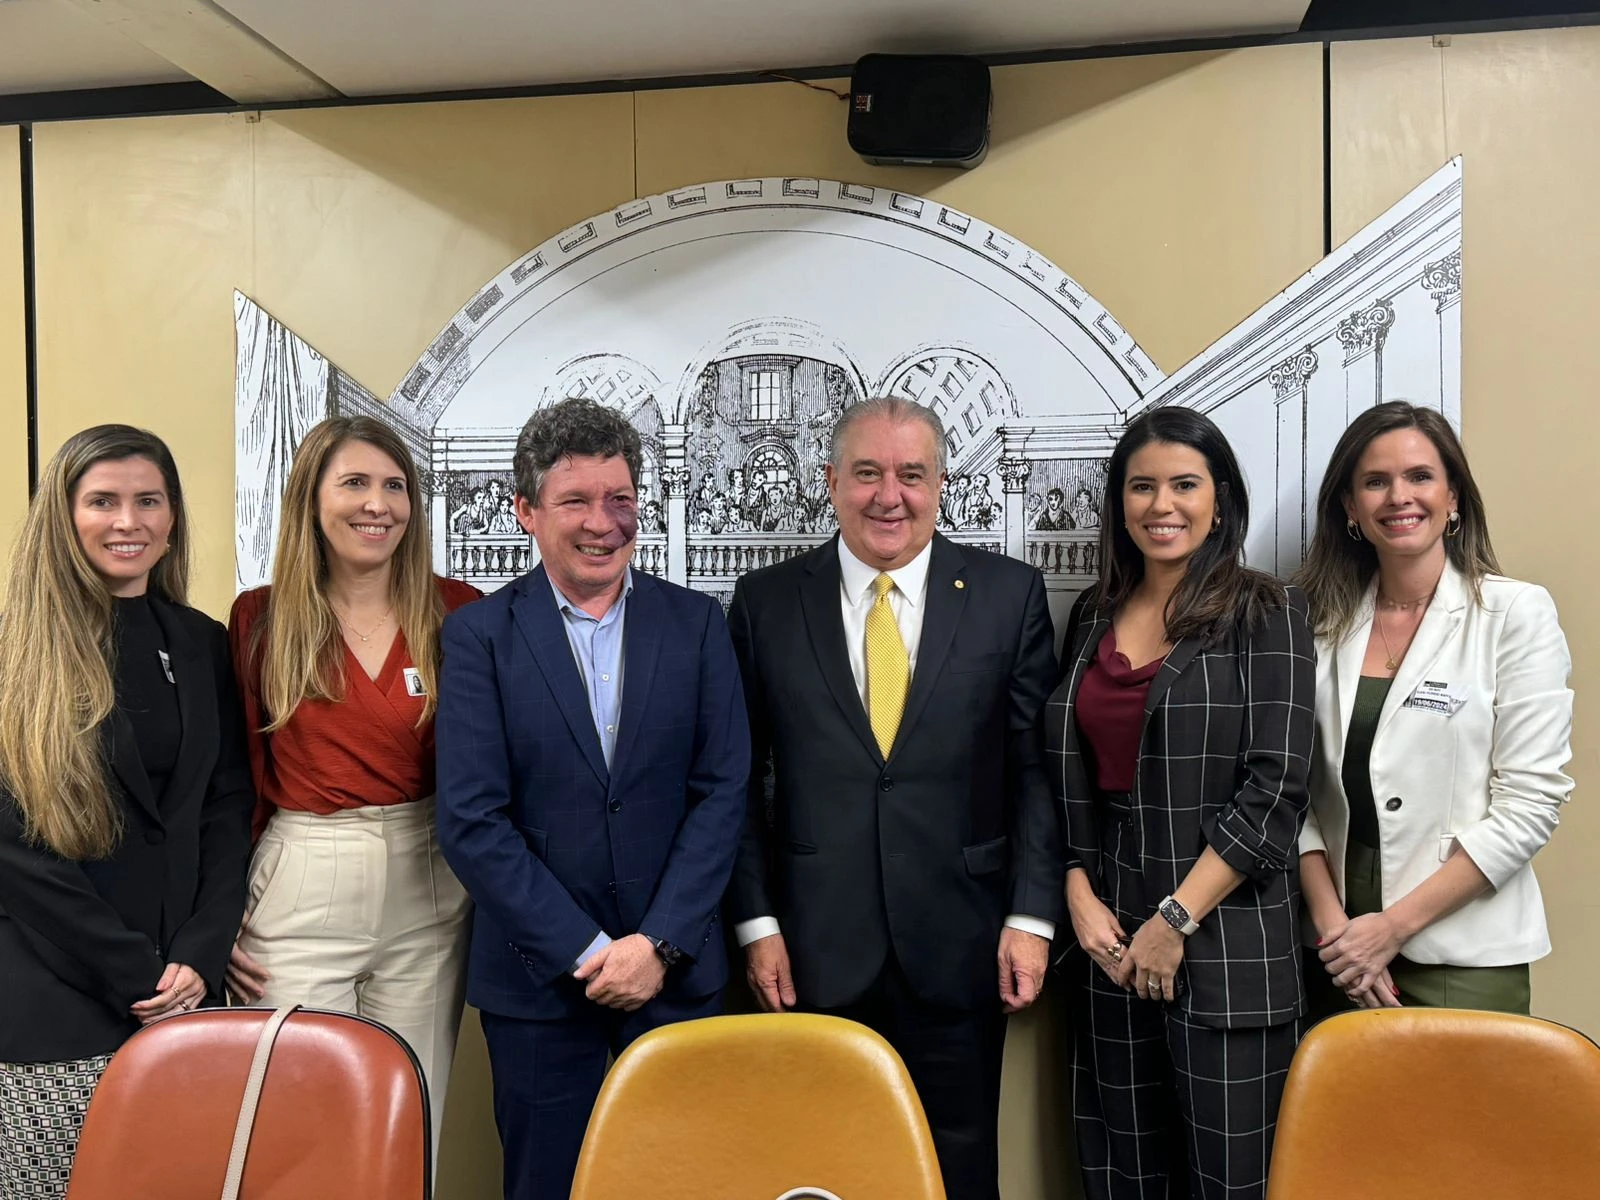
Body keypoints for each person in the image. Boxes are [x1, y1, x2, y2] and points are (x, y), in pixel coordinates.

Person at [728, 395, 1061, 1200]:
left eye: (912, 475)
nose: (890, 496)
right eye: (868, 473)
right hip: (812, 949)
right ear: (831, 481)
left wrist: (1030, 917)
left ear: (941, 483)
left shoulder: (1008, 595)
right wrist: (756, 922)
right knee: (821, 1170)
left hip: (963, 942)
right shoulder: (767, 602)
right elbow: (735, 780)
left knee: (956, 1172)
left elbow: (1036, 771)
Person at [435, 398, 749, 1200]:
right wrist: (587, 951)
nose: (602, 523)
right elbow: (472, 821)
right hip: (541, 986)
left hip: (676, 976)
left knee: (687, 1184)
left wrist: (658, 944)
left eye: (619, 499)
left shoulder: (698, 625)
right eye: (575, 501)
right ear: (527, 512)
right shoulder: (479, 638)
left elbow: (722, 793)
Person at [1046, 407, 1314, 1200]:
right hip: (1108, 937)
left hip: (1225, 939)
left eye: (1184, 484)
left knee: (1232, 1183)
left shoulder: (1269, 613)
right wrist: (1075, 887)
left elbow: (1277, 790)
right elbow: (1070, 772)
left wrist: (1174, 921)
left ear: (1222, 499)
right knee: (1122, 1172)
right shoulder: (1091, 614)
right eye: (1142, 487)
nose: (1162, 505)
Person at [0, 426, 254, 1198]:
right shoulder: (17, 650)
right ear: (64, 515)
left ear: (172, 516)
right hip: (56, 1003)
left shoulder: (202, 640)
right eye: (102, 501)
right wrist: (138, 973)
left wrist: (201, 956)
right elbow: (15, 853)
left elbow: (225, 805)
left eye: (149, 501)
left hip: (184, 996)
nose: (128, 521)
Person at [225, 415, 479, 1161]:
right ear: (312, 498)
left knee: (410, 1110)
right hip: (305, 871)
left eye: (395, 486)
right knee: (296, 1119)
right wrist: (222, 912)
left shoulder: (459, 612)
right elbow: (235, 776)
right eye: (356, 484)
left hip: (430, 876)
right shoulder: (261, 618)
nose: (379, 504)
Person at [1295, 401, 1573, 1014]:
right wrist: (1334, 928)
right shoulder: (1314, 628)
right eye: (1375, 481)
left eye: (1420, 476)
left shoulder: (1514, 616)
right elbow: (1293, 792)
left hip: (1464, 948)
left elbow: (1531, 803)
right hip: (1337, 948)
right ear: (1349, 507)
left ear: (1453, 498)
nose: (1399, 496)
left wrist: (1391, 928)